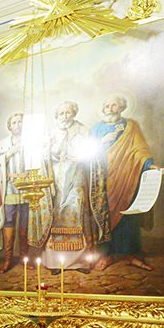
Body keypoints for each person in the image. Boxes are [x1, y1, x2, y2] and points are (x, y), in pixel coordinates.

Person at [39, 101, 107, 271]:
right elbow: (44, 156)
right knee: (57, 215)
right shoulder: (52, 132)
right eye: (61, 113)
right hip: (57, 180)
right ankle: (55, 262)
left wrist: (82, 156)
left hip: (77, 177)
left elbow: (93, 155)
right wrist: (48, 149)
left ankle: (81, 262)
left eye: (68, 112)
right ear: (57, 115)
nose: (65, 116)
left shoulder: (83, 130)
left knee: (77, 212)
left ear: (74, 113)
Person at [92, 94, 157, 271]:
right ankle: (107, 254)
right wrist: (101, 142)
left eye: (114, 105)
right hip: (103, 178)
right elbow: (88, 155)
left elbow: (139, 150)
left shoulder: (131, 126)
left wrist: (149, 165)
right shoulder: (96, 129)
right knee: (105, 215)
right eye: (107, 105)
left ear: (121, 108)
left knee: (128, 215)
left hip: (127, 178)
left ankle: (130, 253)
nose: (110, 108)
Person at [0, 113, 26, 271]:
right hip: (10, 187)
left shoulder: (32, 141)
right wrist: (10, 153)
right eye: (14, 122)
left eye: (20, 122)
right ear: (9, 126)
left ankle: (24, 257)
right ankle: (8, 259)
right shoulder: (1, 145)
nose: (18, 125)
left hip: (27, 187)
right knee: (9, 221)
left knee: (24, 222)